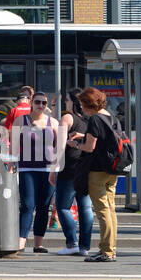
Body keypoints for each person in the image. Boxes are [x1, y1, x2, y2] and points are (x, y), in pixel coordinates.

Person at [73, 87, 121, 263]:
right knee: (111, 210)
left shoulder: (94, 119)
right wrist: (83, 135)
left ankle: (106, 251)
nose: (81, 107)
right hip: (111, 170)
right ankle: (111, 249)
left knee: (102, 211)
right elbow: (103, 140)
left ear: (88, 104)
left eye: (82, 104)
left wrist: (76, 144)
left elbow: (90, 147)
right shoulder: (112, 117)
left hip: (97, 171)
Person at [17, 93, 62, 253]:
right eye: (37, 102)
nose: (41, 105)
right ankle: (21, 241)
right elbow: (13, 145)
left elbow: (59, 148)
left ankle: (38, 244)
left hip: (48, 169)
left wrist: (55, 169)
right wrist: (10, 164)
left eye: (44, 103)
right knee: (27, 205)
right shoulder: (21, 120)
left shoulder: (54, 122)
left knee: (43, 207)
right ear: (31, 103)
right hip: (27, 168)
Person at [54, 89, 94, 256]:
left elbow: (61, 145)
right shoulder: (90, 119)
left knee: (62, 206)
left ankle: (72, 243)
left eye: (66, 100)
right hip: (85, 167)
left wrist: (53, 168)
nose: (65, 103)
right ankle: (85, 246)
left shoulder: (67, 118)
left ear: (72, 102)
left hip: (69, 167)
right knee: (85, 207)